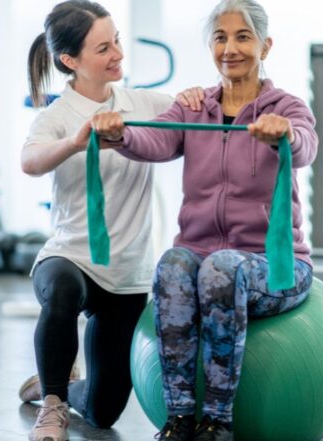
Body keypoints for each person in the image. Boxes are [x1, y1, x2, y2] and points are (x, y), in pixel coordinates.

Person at [91, 0, 318, 440]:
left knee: (220, 269)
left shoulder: (286, 107)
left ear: (265, 45)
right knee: (175, 263)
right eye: (220, 37)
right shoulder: (193, 107)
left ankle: (217, 422)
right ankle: (179, 419)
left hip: (275, 268)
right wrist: (120, 133)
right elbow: (153, 138)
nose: (229, 48)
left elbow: (307, 145)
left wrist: (284, 134)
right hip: (203, 260)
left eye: (242, 36)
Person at [21, 2, 202, 440]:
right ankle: (52, 404)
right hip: (71, 257)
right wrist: (74, 142)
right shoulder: (56, 117)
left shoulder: (144, 103)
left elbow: (195, 114)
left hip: (126, 274)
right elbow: (29, 161)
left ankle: (55, 385)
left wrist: (198, 98)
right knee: (61, 291)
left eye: (116, 39)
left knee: (103, 413)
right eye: (104, 47)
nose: (118, 52)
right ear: (71, 61)